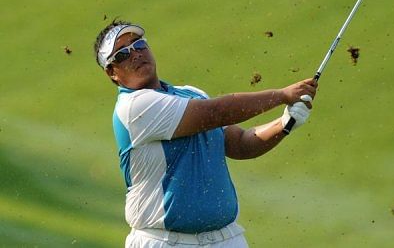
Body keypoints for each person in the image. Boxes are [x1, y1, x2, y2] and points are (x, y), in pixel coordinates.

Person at [94, 20, 317, 248]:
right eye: (122, 54)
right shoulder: (134, 107)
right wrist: (282, 95)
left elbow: (240, 144)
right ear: (112, 73)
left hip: (227, 239)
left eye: (139, 44)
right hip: (164, 241)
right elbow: (217, 113)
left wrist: (285, 123)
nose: (136, 54)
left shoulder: (191, 94)